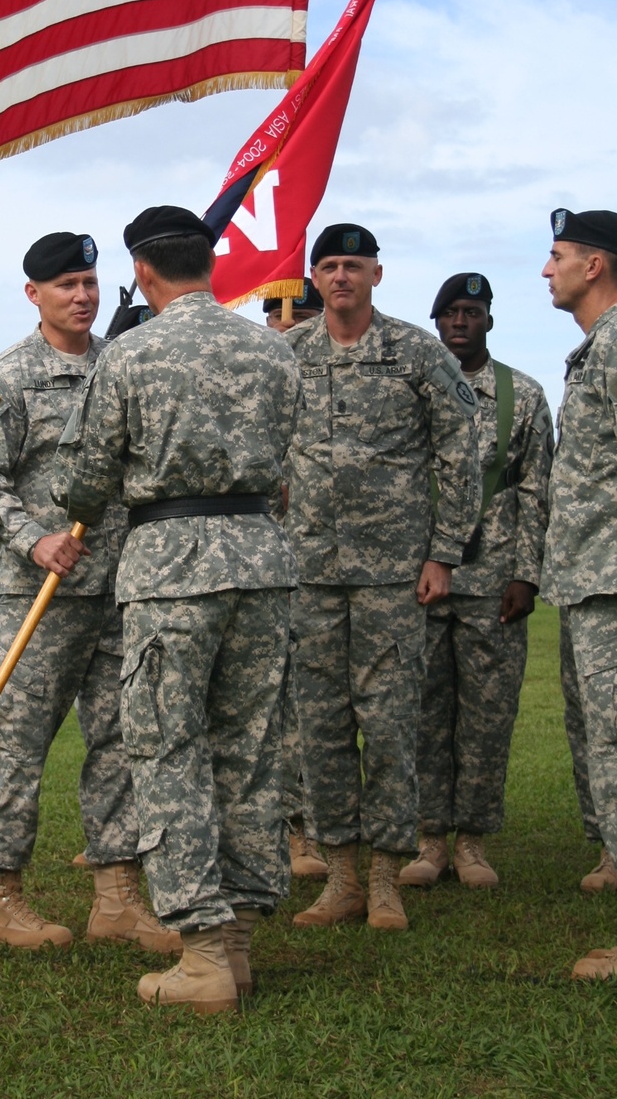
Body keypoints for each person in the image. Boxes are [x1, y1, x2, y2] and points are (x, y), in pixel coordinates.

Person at [52, 206, 302, 1013]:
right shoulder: (273, 349)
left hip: (173, 566)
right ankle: (240, 944)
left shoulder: (130, 354)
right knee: (252, 750)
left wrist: (91, 491)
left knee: (166, 750)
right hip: (262, 560)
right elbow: (289, 464)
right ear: (212, 266)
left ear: (144, 274)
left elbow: (84, 482)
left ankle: (200, 952)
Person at [0, 230, 174, 955]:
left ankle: (116, 895)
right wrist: (34, 537)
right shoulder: (8, 378)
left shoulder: (122, 365)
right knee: (18, 747)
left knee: (120, 743)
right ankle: (0, 895)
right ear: (35, 295)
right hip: (38, 599)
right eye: (65, 287)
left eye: (89, 283)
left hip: (120, 592)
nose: (81, 297)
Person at [284, 224, 481, 932]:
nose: (341, 277)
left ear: (377, 274)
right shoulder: (289, 355)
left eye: (354, 266)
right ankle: (338, 876)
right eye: (330, 266)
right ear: (315, 276)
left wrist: (444, 552)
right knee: (321, 725)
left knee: (391, 721)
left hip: (395, 572)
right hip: (309, 571)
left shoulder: (416, 354)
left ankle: (386, 879)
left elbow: (462, 453)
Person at [541, 209, 617, 982]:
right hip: (600, 585)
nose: (545, 270)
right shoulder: (596, 349)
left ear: (595, 265)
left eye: (556, 256)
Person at [401, 274, 552, 890]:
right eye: (451, 313)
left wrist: (526, 575)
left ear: (489, 320)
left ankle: (474, 843)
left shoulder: (525, 395)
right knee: (424, 712)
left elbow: (538, 490)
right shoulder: (412, 389)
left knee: (489, 715)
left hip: (493, 584)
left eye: (473, 312)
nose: (461, 322)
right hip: (420, 579)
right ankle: (430, 839)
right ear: (436, 323)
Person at [260, 283, 327, 880]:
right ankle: (267, 827)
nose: (288, 329)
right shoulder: (251, 388)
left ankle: (306, 829)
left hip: (316, 570)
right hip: (254, 567)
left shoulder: (330, 390)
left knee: (308, 709)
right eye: (281, 317)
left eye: (302, 318)